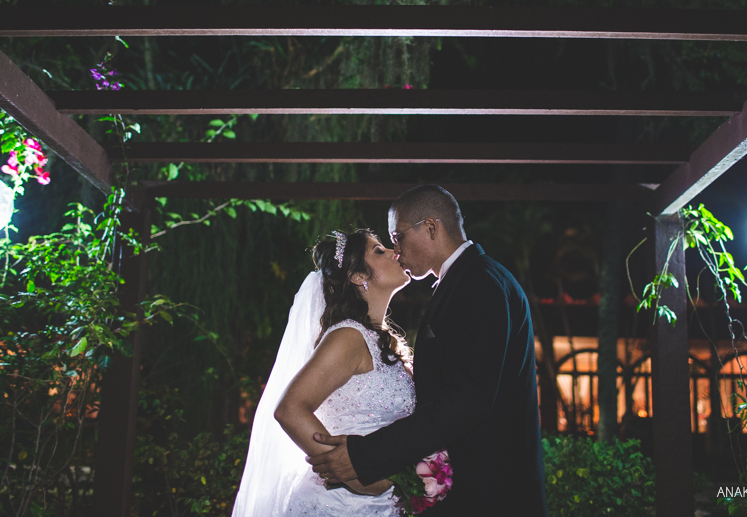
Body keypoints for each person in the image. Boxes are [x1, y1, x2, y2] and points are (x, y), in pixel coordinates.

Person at [308, 185, 549, 516]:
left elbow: (466, 400)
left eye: (398, 237)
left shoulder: (479, 283)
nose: (396, 250)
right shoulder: (469, 280)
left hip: (491, 496)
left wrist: (365, 457)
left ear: (431, 228)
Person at [232, 229, 413, 516]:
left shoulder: (380, 340)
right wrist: (354, 475)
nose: (395, 252)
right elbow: (290, 409)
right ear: (357, 276)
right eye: (379, 250)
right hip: (339, 505)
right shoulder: (349, 336)